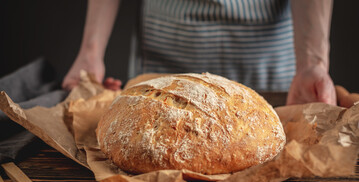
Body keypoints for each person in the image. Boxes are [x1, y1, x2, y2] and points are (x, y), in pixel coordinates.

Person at [62, 0, 336, 105]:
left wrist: (312, 63)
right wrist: (91, 52)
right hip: (165, 51)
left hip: (267, 63)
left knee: (262, 139)